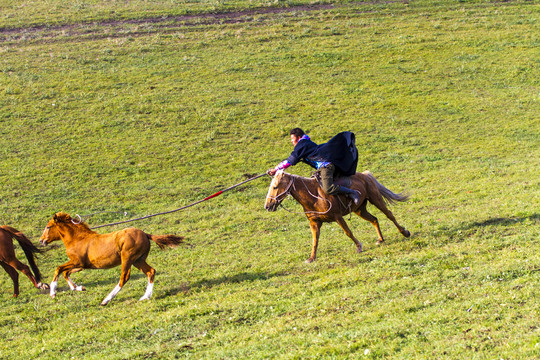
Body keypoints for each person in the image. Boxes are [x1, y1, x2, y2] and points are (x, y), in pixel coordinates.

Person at [267, 128, 361, 205]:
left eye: (292, 139)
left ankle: (352, 192)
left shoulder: (302, 145)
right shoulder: (306, 143)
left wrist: (276, 169)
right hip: (322, 168)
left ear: (298, 137)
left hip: (326, 167)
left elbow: (289, 161)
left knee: (328, 189)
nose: (292, 141)